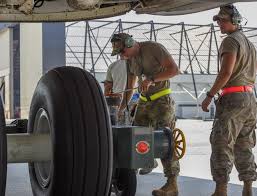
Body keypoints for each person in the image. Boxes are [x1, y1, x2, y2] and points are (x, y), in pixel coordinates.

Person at [111, 32, 180, 196]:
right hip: (143, 102)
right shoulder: (129, 60)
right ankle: (130, 179)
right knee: (134, 139)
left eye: (122, 52)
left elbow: (174, 70)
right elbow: (130, 83)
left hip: (162, 101)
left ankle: (172, 185)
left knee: (165, 142)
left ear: (130, 43)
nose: (121, 56)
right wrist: (122, 107)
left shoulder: (154, 48)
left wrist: (151, 79)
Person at [201, 4, 257, 196]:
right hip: (249, 98)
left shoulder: (231, 41)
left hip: (233, 98)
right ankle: (248, 189)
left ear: (235, 21)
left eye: (223, 20)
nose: (220, 24)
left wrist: (209, 96)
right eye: (219, 20)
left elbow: (226, 72)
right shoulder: (249, 44)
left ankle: (221, 190)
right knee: (244, 145)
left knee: (222, 143)